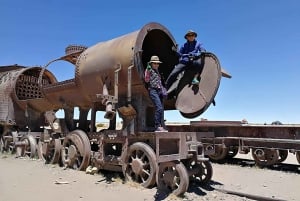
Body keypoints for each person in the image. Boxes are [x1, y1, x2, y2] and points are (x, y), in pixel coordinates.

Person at [144, 55, 168, 132]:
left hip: (158, 91)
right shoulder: (149, 70)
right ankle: (157, 125)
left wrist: (162, 90)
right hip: (153, 90)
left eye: (157, 64)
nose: (156, 65)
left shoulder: (157, 71)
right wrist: (148, 71)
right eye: (154, 63)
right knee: (159, 107)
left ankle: (160, 125)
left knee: (161, 108)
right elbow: (147, 80)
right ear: (151, 64)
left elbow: (159, 82)